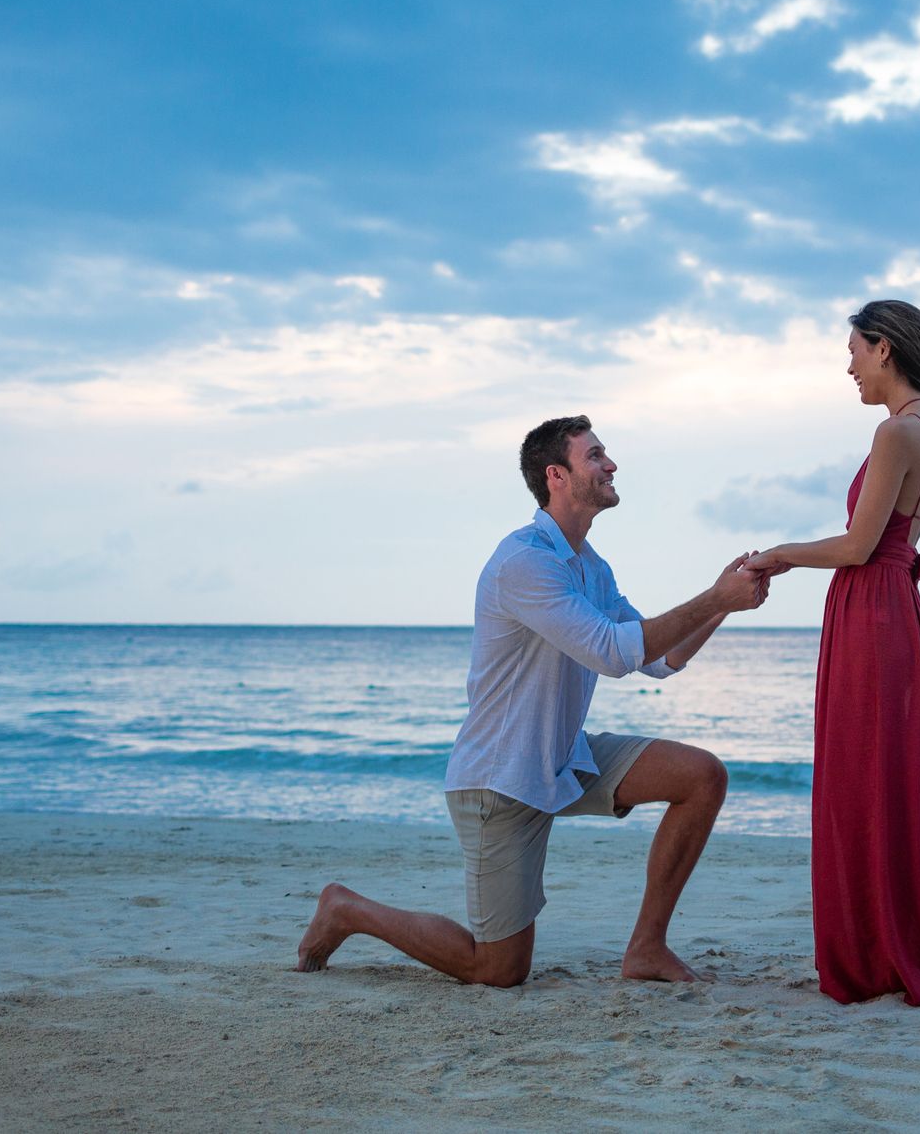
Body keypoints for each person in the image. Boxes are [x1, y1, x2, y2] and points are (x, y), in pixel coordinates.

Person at [296, 414, 767, 987]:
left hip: (565, 759)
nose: (611, 464)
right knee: (497, 970)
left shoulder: (592, 568)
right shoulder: (523, 562)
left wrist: (725, 605)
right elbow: (612, 653)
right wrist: (712, 596)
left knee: (701, 776)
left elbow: (657, 660)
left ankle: (647, 949)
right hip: (501, 779)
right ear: (557, 476)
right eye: (594, 456)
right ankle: (348, 909)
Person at [745, 300, 920, 1006]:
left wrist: (780, 553)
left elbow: (857, 546)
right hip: (893, 610)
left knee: (862, 780)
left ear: (885, 349)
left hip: (873, 610)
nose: (848, 366)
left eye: (854, 350)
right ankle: (883, 940)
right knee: (886, 781)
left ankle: (870, 955)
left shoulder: (897, 432)